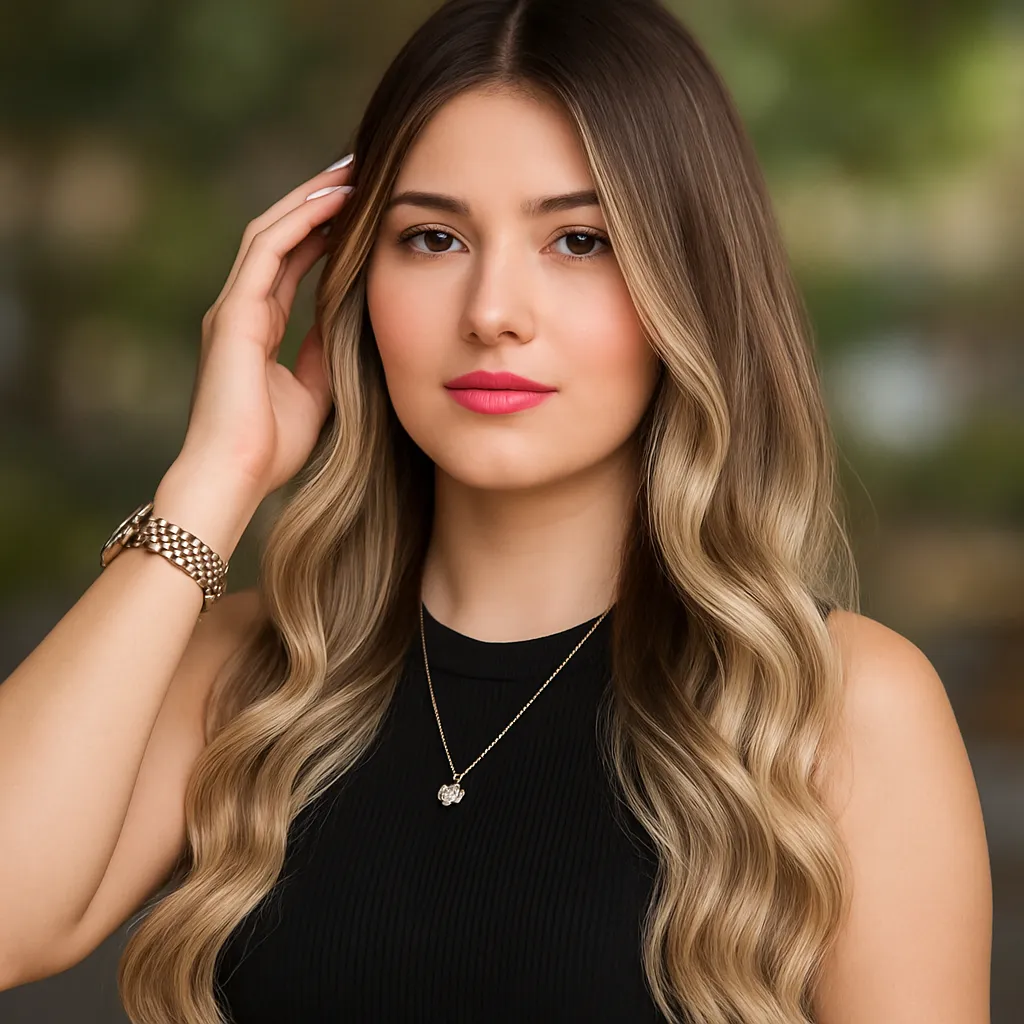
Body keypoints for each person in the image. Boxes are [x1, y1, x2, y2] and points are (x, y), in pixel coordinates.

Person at [0, 0, 992, 1021]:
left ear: (688, 283)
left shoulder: (838, 705)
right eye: (432, 237)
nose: (490, 312)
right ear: (349, 279)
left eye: (578, 240)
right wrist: (215, 477)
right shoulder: (249, 669)